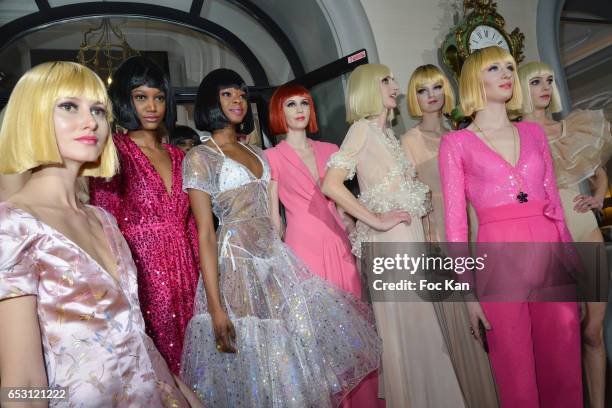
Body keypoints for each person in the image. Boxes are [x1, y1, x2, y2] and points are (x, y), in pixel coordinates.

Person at [0, 61, 202, 407]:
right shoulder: (13, 226)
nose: (92, 121)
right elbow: (22, 384)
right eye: (69, 107)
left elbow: (136, 337)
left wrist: (186, 396)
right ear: (31, 117)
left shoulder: (103, 220)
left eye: (98, 110)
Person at [179, 69, 381, 408]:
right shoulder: (200, 156)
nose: (237, 101)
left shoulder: (259, 153)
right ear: (211, 101)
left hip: (274, 262)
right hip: (235, 266)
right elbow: (205, 234)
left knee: (288, 354)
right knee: (250, 359)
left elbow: (277, 216)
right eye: (227, 94)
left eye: (241, 95)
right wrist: (215, 308)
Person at [440, 46, 582, 407]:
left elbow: (555, 204)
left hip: (549, 248)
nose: (506, 74)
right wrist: (468, 294)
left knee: (564, 359)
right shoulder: (455, 144)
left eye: (509, 67)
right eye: (494, 68)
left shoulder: (534, 132)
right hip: (498, 256)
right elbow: (456, 225)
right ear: (475, 78)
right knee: (515, 372)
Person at [322, 63, 465, 407]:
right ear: (369, 88)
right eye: (386, 80)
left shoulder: (386, 134)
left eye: (392, 78)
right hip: (391, 242)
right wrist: (377, 219)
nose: (395, 86)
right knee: (414, 331)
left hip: (408, 237)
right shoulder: (362, 129)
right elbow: (331, 184)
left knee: (422, 332)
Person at [264, 83, 381, 407]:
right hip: (303, 251)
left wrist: (356, 237)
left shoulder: (331, 149)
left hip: (339, 244)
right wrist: (276, 263)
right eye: (291, 104)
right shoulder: (270, 157)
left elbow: (345, 205)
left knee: (354, 330)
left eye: (304, 103)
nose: (299, 109)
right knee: (319, 336)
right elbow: (274, 217)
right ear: (279, 112)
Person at [89, 56, 199, 375]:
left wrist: (205, 280)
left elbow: (191, 225)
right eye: (141, 97)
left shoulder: (180, 156)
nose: (151, 106)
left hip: (187, 274)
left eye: (159, 97)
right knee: (156, 370)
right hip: (141, 277)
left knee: (195, 364)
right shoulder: (114, 152)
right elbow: (104, 225)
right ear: (126, 100)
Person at [401, 64, 499, 407]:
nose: (431, 96)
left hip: (477, 225)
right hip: (440, 232)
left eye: (437, 88)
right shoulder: (409, 142)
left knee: (495, 315)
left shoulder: (463, 135)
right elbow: (412, 198)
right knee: (462, 323)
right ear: (414, 98)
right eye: (423, 90)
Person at [519, 60, 611, 408]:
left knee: (593, 331)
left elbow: (598, 173)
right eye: (535, 81)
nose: (544, 87)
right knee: (562, 335)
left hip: (586, 231)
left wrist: (599, 197)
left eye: (548, 80)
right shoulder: (515, 136)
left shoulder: (571, 127)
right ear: (521, 88)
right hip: (547, 240)